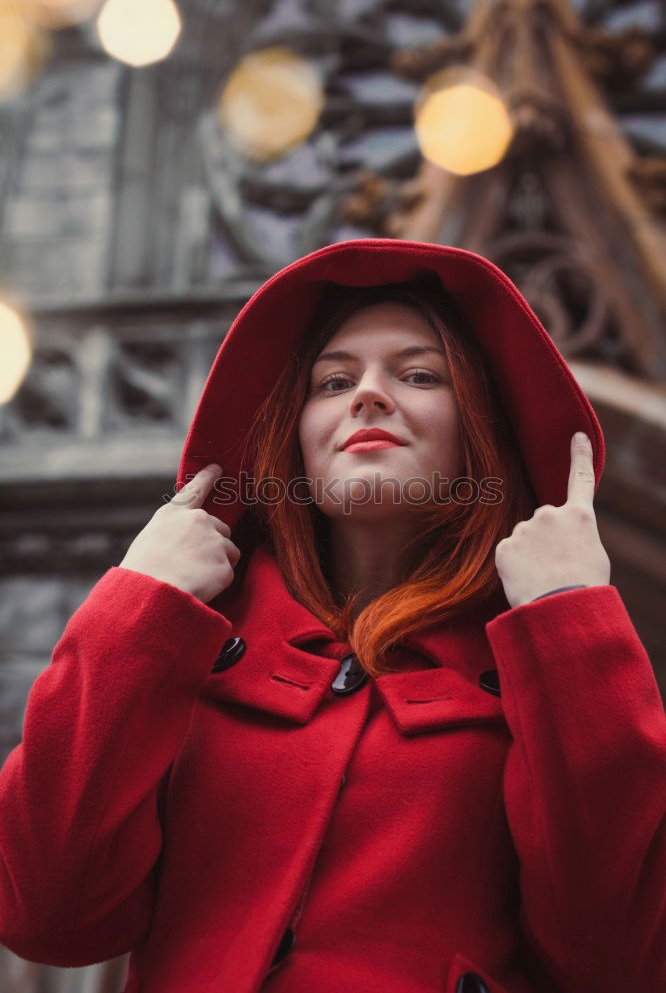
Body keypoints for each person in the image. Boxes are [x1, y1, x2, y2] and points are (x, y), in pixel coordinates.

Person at [0, 238, 663, 993]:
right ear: (293, 435)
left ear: (482, 430)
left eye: (418, 374)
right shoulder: (183, 641)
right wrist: (138, 604)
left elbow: (621, 961)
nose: (368, 396)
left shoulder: (547, 657)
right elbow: (45, 915)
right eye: (333, 380)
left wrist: (569, 619)